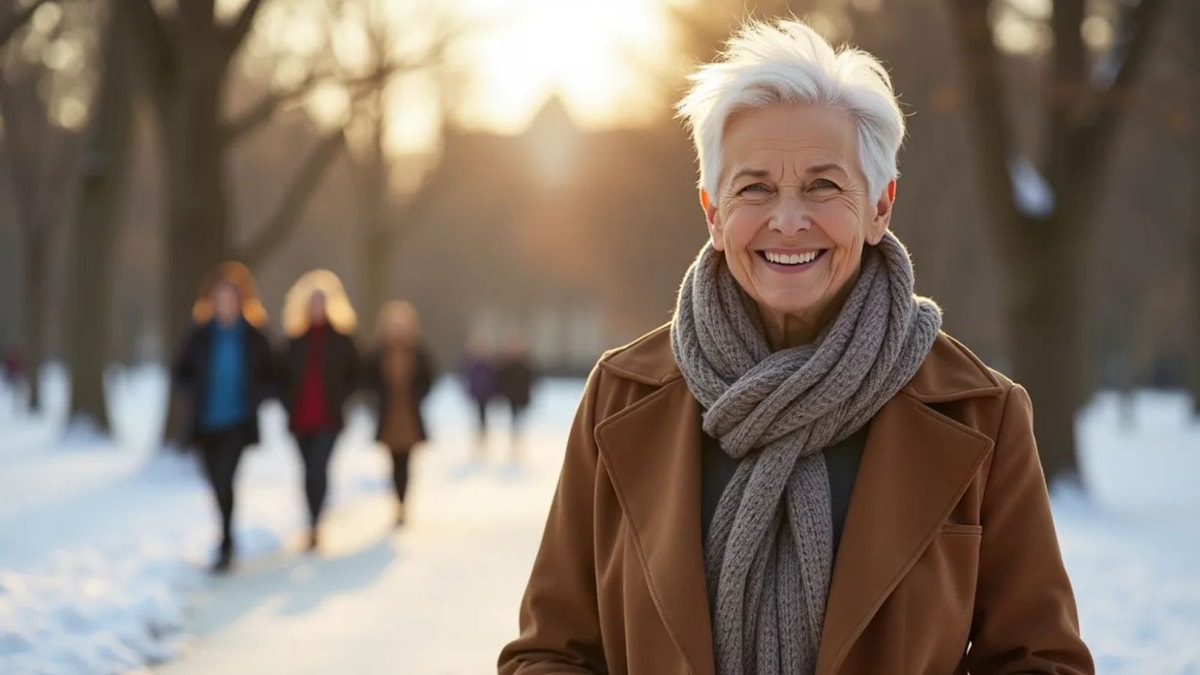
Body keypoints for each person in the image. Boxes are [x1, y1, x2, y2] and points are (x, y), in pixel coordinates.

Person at [499, 19, 1092, 675]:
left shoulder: (981, 412)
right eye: (754, 187)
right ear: (713, 212)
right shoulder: (621, 397)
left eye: (823, 186)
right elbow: (550, 651)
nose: (787, 220)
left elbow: (1041, 659)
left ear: (880, 206)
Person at [173, 262, 274, 573]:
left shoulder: (253, 336)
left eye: (231, 298)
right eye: (220, 298)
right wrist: (194, 387)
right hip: (206, 422)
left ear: (241, 301)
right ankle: (225, 533)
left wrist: (257, 396)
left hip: (237, 423)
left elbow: (271, 373)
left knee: (225, 478)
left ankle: (226, 542)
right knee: (214, 481)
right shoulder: (200, 335)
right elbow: (180, 372)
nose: (225, 304)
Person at [279, 270, 360, 551]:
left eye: (321, 302)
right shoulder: (294, 342)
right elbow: (281, 377)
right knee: (307, 470)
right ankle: (311, 518)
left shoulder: (342, 341)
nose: (317, 308)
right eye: (312, 302)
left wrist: (341, 398)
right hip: (301, 418)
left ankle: (316, 522)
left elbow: (355, 375)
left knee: (318, 467)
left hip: (329, 417)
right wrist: (287, 402)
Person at [365, 300, 435, 526]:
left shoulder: (419, 352)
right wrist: (377, 399)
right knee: (393, 462)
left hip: (410, 416)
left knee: (407, 462)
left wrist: (417, 396)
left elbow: (428, 379)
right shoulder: (379, 353)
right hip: (388, 416)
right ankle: (397, 501)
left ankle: (403, 503)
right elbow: (368, 381)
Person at [494, 334, 537, 464]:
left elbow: (533, 378)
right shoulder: (506, 365)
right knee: (513, 420)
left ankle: (519, 442)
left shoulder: (526, 364)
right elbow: (500, 380)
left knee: (520, 421)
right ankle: (514, 443)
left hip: (522, 397)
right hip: (511, 398)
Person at [460, 335, 496, 460]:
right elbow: (466, 378)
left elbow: (492, 380)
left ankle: (483, 439)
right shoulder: (471, 364)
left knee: (483, 418)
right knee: (476, 418)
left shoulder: (488, 364)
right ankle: (477, 440)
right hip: (476, 395)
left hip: (485, 395)